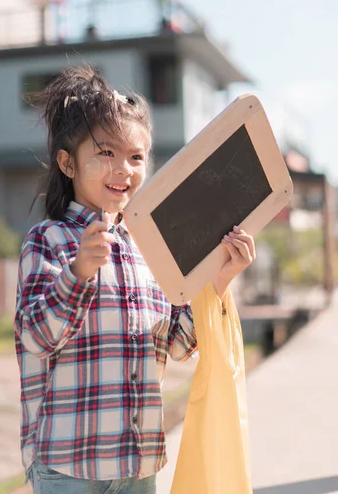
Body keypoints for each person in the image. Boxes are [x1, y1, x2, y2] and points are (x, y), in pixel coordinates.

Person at [14, 65, 256, 494]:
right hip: (68, 463)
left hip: (139, 462)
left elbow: (178, 344)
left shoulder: (151, 246)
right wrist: (79, 273)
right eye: (106, 152)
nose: (123, 168)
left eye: (136, 156)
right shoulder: (49, 240)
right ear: (68, 163)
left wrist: (219, 279)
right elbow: (35, 336)